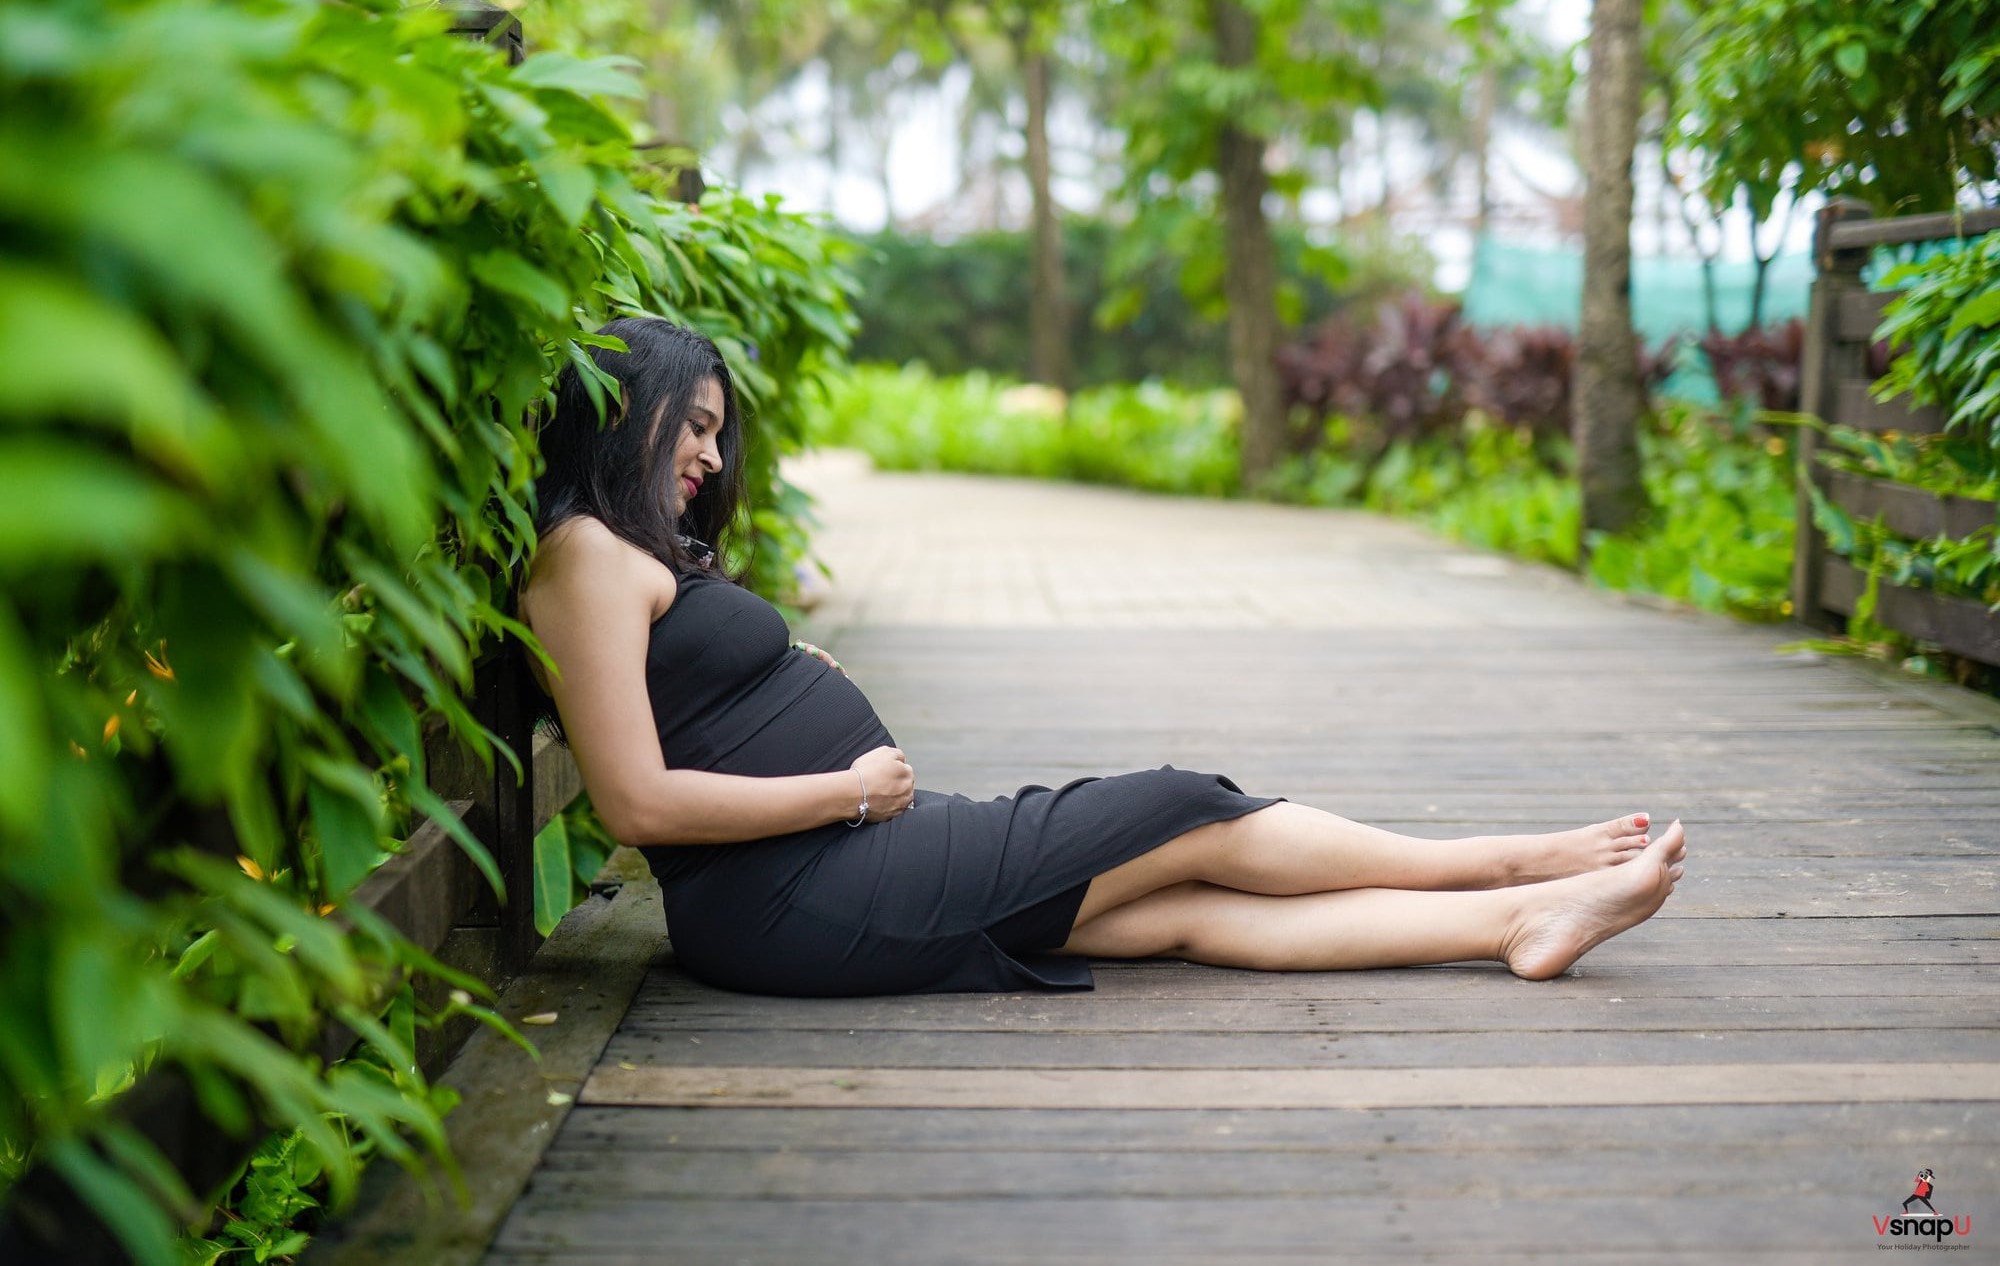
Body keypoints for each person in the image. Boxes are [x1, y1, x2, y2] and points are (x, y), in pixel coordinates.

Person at [519, 317, 1687, 998]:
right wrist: (850, 790)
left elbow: (677, 692)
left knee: (1177, 908)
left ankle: (1514, 924)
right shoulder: (582, 557)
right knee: (1182, 809)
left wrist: (781, 668)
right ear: (630, 407)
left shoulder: (620, 554)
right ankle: (1502, 867)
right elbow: (636, 801)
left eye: (722, 435)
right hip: (809, 885)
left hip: (833, 873)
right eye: (701, 426)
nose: (713, 462)